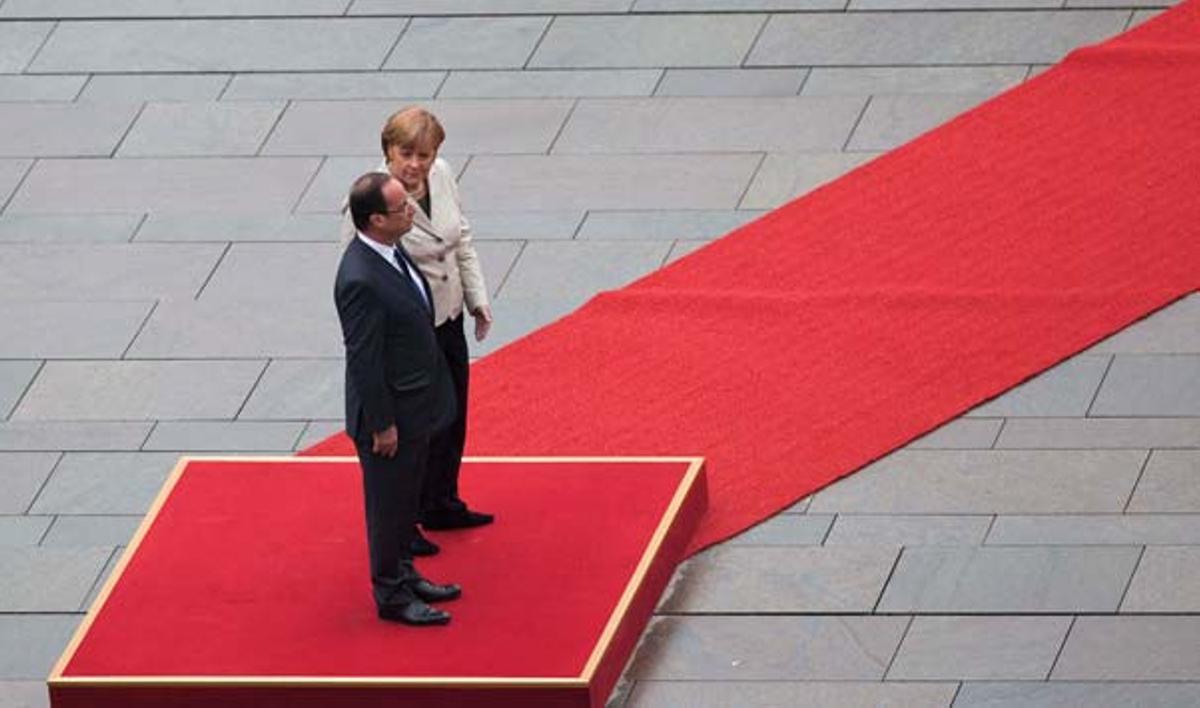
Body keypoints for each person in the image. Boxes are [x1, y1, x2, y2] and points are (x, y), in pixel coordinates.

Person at [342, 107, 494, 557]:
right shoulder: (371, 198)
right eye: (406, 153)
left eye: (424, 155)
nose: (415, 164)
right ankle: (405, 521)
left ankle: (441, 500)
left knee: (452, 415)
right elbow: (363, 271)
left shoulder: (442, 176)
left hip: (446, 316)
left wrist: (476, 298)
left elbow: (460, 238)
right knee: (418, 428)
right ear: (387, 150)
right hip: (410, 333)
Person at [334, 171, 462, 626]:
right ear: (375, 220)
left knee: (406, 500)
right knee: (388, 508)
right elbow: (364, 359)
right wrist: (382, 424)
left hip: (416, 404)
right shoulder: (359, 280)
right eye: (402, 208)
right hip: (390, 419)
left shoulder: (391, 248)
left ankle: (406, 575)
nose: (411, 211)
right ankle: (391, 595)